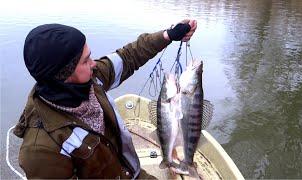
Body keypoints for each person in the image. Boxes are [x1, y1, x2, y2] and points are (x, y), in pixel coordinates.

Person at [13, 19, 197, 179]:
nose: (93, 64)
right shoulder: (41, 150)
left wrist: (167, 35)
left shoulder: (91, 80)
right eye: (85, 61)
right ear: (64, 75)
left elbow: (129, 56)